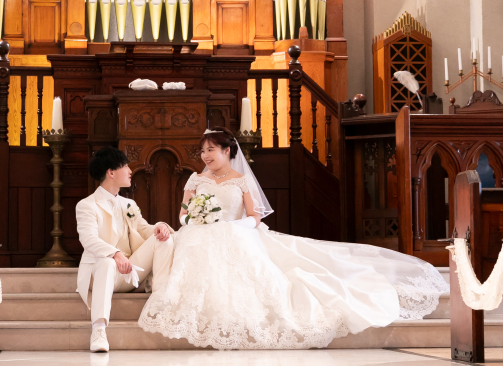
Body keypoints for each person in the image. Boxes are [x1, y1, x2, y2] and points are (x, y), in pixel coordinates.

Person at [139, 128, 447, 350]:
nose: (205, 156)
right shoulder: (195, 179)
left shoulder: (242, 180)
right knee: (192, 244)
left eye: (211, 150)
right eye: (203, 151)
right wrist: (197, 220)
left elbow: (253, 216)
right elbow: (182, 215)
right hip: (199, 232)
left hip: (237, 231)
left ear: (227, 151)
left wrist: (235, 227)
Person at [76, 147, 175, 353]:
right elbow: (88, 239)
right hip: (103, 272)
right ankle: (99, 330)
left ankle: (161, 300)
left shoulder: (129, 203)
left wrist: (158, 228)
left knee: (163, 239)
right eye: (125, 166)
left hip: (131, 269)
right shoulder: (87, 205)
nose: (131, 170)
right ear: (111, 172)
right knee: (105, 261)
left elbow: (143, 228)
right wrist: (115, 253)